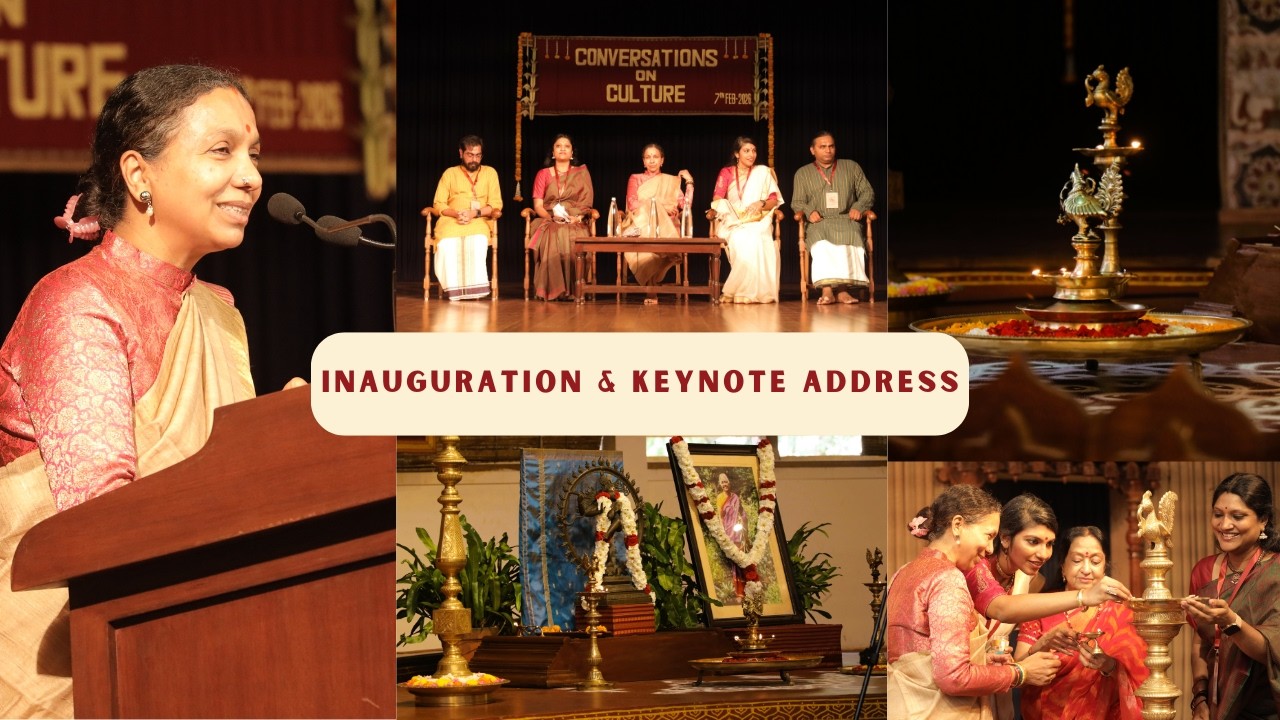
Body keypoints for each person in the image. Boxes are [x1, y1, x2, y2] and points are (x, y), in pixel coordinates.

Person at [0, 64, 264, 717]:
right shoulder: (77, 305)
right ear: (140, 175)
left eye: (254, 153)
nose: (252, 177)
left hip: (198, 650)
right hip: (72, 673)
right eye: (222, 151)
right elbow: (106, 527)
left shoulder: (219, 312)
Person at [886, 485, 1062, 719]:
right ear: (958, 525)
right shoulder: (948, 578)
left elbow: (923, 654)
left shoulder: (904, 572)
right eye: (989, 535)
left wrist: (982, 658)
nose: (990, 547)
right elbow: (954, 677)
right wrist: (1020, 673)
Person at [1016, 526, 1148, 720]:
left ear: (1104, 567)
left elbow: (1141, 679)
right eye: (1077, 560)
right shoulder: (1041, 607)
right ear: (1062, 565)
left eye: (1095, 561)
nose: (1086, 569)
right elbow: (1018, 672)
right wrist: (1044, 644)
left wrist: (1109, 666)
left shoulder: (1122, 613)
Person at [1182, 473, 1280, 720]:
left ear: (1263, 520)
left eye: (1237, 516)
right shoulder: (1204, 571)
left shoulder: (1276, 572)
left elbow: (1272, 650)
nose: (1225, 525)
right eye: (1218, 515)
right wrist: (1200, 698)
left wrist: (1230, 622)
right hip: (1216, 704)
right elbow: (1201, 643)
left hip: (1267, 706)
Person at [790, 131, 875, 304]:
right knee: (821, 242)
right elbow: (797, 202)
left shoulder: (851, 167)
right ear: (812, 150)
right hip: (819, 222)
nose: (828, 150)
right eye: (822, 147)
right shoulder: (802, 173)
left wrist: (858, 207)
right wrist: (808, 211)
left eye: (831, 146)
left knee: (851, 234)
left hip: (846, 219)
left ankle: (843, 291)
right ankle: (827, 290)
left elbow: (867, 192)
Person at [710, 136, 783, 304]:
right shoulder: (726, 172)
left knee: (757, 236)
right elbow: (717, 199)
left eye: (754, 150)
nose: (751, 154)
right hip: (733, 222)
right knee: (741, 238)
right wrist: (733, 211)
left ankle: (747, 291)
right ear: (737, 154)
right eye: (746, 151)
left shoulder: (763, 172)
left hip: (759, 220)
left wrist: (761, 203)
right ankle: (741, 290)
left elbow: (774, 200)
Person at [620, 143, 694, 303]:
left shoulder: (671, 181)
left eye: (655, 157)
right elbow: (633, 203)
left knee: (658, 228)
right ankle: (651, 289)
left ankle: (651, 289)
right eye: (648, 157)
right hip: (640, 221)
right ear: (643, 161)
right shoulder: (635, 178)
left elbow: (685, 206)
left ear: (662, 161)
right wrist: (661, 207)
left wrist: (689, 182)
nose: (652, 160)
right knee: (650, 226)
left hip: (666, 225)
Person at [431, 135, 502, 300]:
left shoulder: (490, 173)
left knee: (477, 241)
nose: (474, 159)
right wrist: (457, 213)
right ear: (461, 153)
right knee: (447, 244)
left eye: (478, 155)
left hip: (478, 220)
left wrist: (473, 214)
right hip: (451, 219)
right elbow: (439, 204)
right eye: (470, 154)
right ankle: (454, 291)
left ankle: (474, 290)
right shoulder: (450, 173)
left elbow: (496, 204)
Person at [528, 134, 594, 301]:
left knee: (573, 234)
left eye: (567, 146)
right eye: (558, 146)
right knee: (554, 233)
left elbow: (586, 203)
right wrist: (552, 218)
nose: (563, 148)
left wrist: (577, 218)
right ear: (553, 152)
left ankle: (575, 289)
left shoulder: (582, 174)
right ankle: (554, 289)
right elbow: (538, 206)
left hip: (575, 220)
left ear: (572, 152)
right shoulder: (543, 174)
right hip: (548, 219)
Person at [715, 472, 748, 602]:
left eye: (726, 482)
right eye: (722, 482)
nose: (724, 484)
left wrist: (742, 521)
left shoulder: (735, 497)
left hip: (737, 532)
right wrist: (723, 533)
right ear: (720, 484)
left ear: (729, 483)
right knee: (732, 563)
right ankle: (738, 591)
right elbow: (720, 516)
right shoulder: (719, 498)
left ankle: (745, 590)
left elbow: (741, 514)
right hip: (727, 533)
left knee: (739, 560)